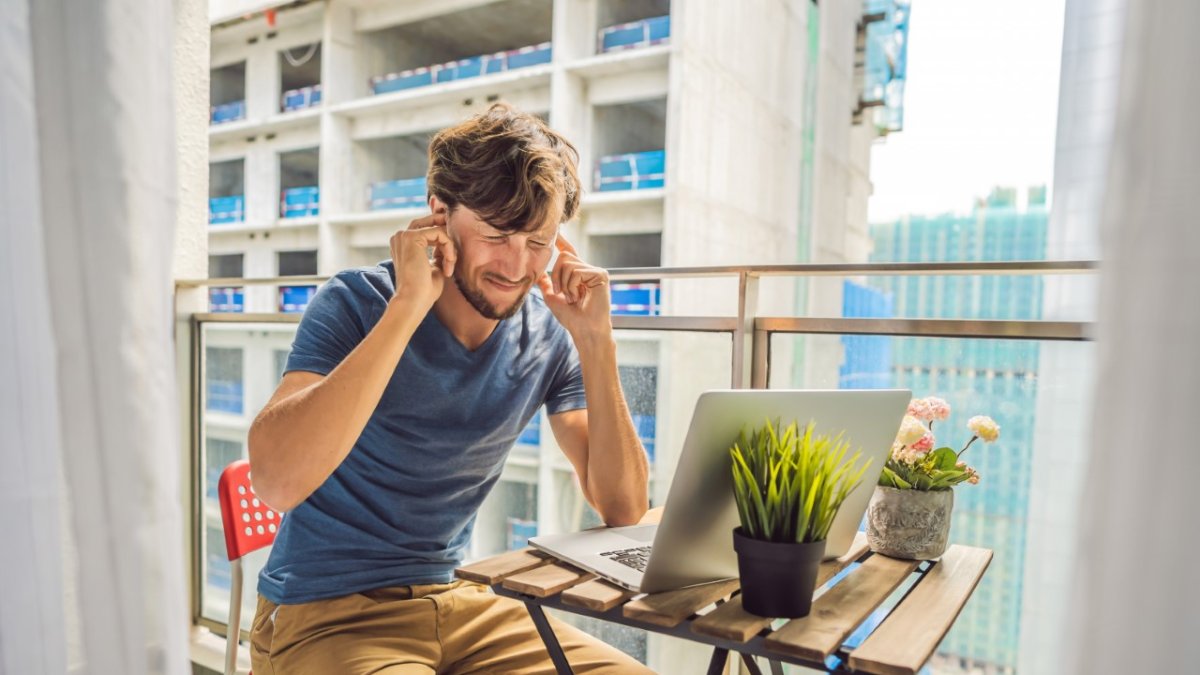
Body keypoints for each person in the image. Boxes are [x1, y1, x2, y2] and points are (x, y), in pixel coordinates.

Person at [245, 102, 653, 674]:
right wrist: (408, 306)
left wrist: (596, 343)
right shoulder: (358, 302)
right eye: (496, 235)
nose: (515, 266)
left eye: (538, 243)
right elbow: (275, 481)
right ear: (439, 212)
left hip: (462, 599)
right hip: (324, 611)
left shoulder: (546, 334)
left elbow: (624, 507)